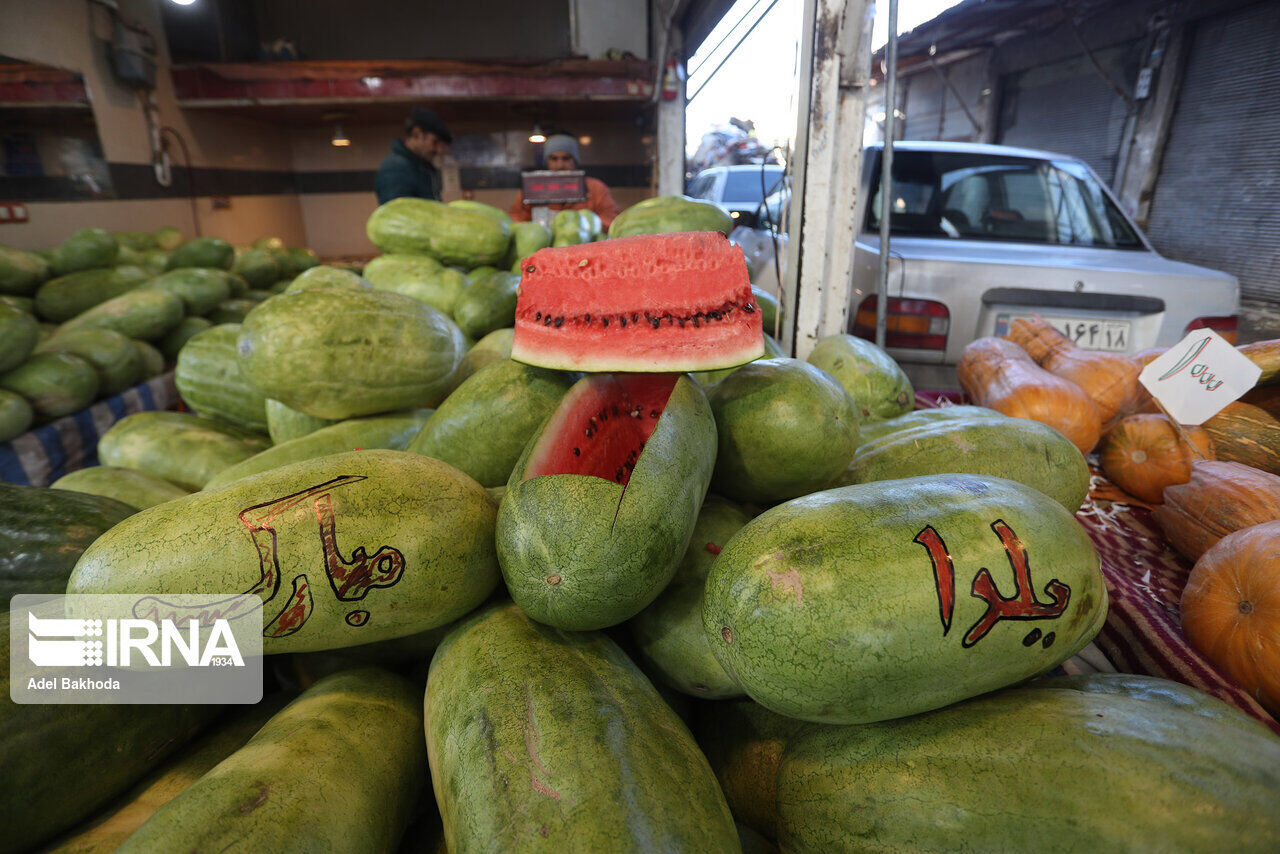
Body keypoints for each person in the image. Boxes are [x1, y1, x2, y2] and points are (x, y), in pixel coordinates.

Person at [508, 134, 620, 229]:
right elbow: (516, 219)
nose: (560, 165)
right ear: (547, 162)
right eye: (554, 159)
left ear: (575, 161)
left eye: (566, 158)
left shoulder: (596, 188)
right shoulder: (532, 188)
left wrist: (583, 226)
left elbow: (612, 220)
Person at [375, 107, 452, 204]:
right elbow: (396, 214)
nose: (437, 150)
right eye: (434, 142)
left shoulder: (420, 166)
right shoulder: (396, 168)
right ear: (416, 133)